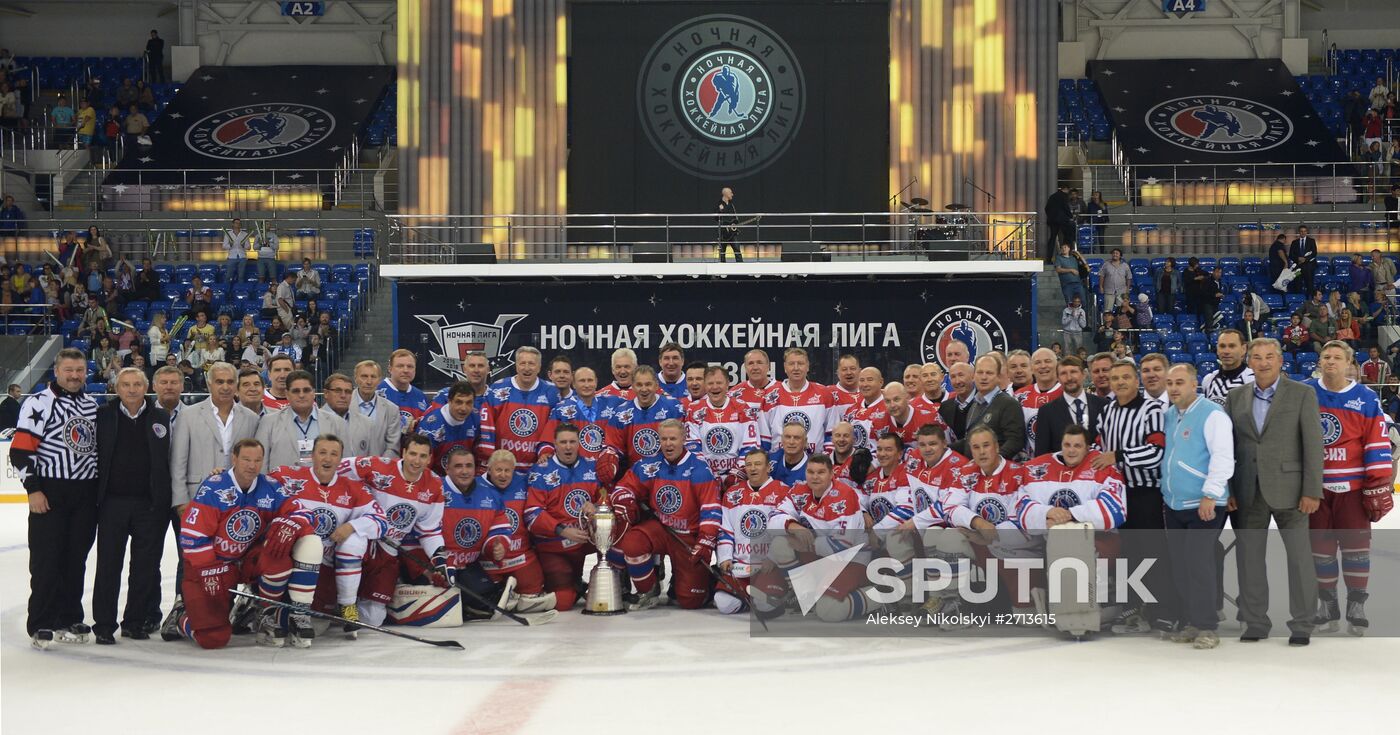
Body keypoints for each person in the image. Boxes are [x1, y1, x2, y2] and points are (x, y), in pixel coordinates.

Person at [1224, 338, 1323, 645]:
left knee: (1299, 559)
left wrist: (1312, 490)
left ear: (1281, 361)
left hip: (1292, 492)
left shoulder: (1303, 394)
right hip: (1248, 490)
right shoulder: (1235, 396)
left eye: (1269, 357)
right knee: (1249, 558)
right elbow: (1228, 447)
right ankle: (1255, 621)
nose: (1263, 362)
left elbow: (1313, 445)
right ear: (1248, 361)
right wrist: (1228, 488)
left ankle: (1303, 623)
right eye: (1257, 357)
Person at [12, 349, 100, 648]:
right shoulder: (39, 403)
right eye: (69, 370)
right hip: (50, 493)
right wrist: (33, 489)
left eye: (79, 370)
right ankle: (41, 622)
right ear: (57, 371)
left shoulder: (91, 405)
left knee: (75, 560)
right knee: (47, 560)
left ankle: (68, 615)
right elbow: (21, 450)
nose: (75, 375)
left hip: (85, 495)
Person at [1305, 341, 1393, 636]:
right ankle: (1327, 605)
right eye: (1325, 356)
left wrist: (1376, 484)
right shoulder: (1305, 392)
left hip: (1353, 489)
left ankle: (1357, 605)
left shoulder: (1366, 398)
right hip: (1315, 488)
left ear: (1349, 364)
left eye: (1337, 357)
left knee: (1356, 550)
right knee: (1321, 550)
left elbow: (1376, 442)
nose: (1330, 361)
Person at [91, 368, 171, 645]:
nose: (132, 389)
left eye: (137, 384)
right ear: (116, 388)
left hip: (149, 506)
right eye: (126, 384)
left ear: (146, 387)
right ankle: (103, 624)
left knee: (145, 567)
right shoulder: (103, 415)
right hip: (112, 503)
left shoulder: (161, 417)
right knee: (108, 566)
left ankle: (134, 622)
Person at [1095, 359, 1175, 633]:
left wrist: (1117, 456)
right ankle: (1131, 607)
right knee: (1126, 553)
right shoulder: (1107, 411)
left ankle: (1163, 610)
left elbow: (1157, 453)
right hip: (1118, 494)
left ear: (1135, 380)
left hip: (1146, 494)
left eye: (1125, 377)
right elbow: (1099, 449)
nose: (1119, 383)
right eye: (1115, 378)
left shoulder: (1151, 410)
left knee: (1153, 552)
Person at [338, 434, 448, 628]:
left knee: (373, 619)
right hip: (364, 535)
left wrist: (440, 560)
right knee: (353, 545)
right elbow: (334, 470)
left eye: (423, 456)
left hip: (389, 549)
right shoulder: (377, 466)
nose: (416, 460)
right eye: (412, 454)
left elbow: (430, 531)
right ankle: (347, 607)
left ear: (430, 458)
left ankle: (355, 612)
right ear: (403, 453)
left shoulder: (435, 484)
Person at [1161, 363, 1234, 649]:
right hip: (1175, 503)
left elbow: (1223, 457)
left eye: (1180, 382)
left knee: (1198, 564)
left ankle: (1207, 626)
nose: (1174, 388)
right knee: (1180, 565)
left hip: (1204, 503)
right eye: (1170, 383)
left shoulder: (1213, 414)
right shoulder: (1170, 415)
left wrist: (1211, 494)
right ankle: (1191, 621)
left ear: (1195, 385)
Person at [609, 419, 719, 609]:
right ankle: (648, 590)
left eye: (673, 439)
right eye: (664, 439)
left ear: (684, 439)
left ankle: (707, 580)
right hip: (661, 528)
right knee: (634, 543)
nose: (668, 444)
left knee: (690, 601)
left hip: (688, 536)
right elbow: (623, 487)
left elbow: (712, 509)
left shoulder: (699, 469)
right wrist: (624, 499)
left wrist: (705, 540)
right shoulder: (649, 465)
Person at [525, 422, 606, 612]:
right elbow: (532, 514)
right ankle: (573, 585)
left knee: (619, 537)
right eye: (563, 442)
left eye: (572, 441)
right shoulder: (540, 471)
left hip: (583, 540)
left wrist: (595, 506)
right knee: (563, 602)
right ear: (554, 444)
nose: (568, 446)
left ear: (579, 443)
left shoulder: (591, 467)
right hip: (553, 545)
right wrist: (562, 530)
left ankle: (614, 583)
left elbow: (605, 497)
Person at [478, 346, 559, 473]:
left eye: (531, 363)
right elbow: (486, 428)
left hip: (537, 468)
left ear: (539, 367)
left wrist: (546, 451)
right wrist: (489, 458)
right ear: (516, 366)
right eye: (522, 363)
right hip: (503, 469)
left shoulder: (552, 392)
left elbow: (554, 428)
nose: (527, 368)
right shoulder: (498, 389)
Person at [255, 370, 347, 470]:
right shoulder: (269, 422)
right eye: (296, 391)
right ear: (287, 394)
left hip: (323, 484)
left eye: (306, 390)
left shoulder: (337, 423)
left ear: (314, 392)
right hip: (281, 484)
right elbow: (260, 462)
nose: (301, 395)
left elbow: (346, 463)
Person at [685, 365, 759, 487]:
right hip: (706, 475)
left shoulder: (743, 409)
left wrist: (736, 473)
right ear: (705, 385)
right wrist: (709, 473)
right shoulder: (694, 409)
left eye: (719, 382)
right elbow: (692, 446)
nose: (714, 387)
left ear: (727, 384)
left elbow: (750, 445)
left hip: (738, 475)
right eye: (710, 383)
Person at [760, 347, 836, 454]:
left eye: (800, 363)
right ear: (785, 367)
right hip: (779, 463)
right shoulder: (770, 396)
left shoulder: (823, 393)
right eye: (791, 364)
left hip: (815, 463)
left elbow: (832, 432)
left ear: (808, 366)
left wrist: (826, 458)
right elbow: (764, 438)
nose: (796, 368)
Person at [951, 355, 1023, 459]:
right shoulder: (975, 404)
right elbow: (968, 441)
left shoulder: (1009, 404)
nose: (984, 377)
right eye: (980, 372)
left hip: (997, 471)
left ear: (998, 377)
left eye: (989, 373)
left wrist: (992, 463)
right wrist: (943, 449)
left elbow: (1015, 441)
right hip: (976, 471)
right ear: (973, 376)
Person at [416, 381, 480, 474]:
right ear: (449, 401)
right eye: (459, 402)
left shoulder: (475, 419)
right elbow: (421, 468)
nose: (463, 408)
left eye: (469, 403)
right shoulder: (429, 427)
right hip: (436, 480)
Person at [354, 360, 402, 458]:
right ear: (355, 379)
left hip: (379, 469)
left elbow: (392, 447)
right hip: (349, 469)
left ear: (379, 380)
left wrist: (379, 468)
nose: (369, 381)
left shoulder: (392, 410)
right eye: (364, 376)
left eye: (373, 377)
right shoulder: (343, 406)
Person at [378, 348, 430, 433]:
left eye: (410, 366)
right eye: (400, 366)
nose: (405, 370)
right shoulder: (376, 392)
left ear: (415, 370)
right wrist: (404, 428)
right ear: (390, 369)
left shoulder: (421, 396)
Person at [1201, 329, 1253, 405]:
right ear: (1217, 349)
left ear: (1243, 349)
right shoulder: (1208, 380)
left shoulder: (1253, 380)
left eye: (1232, 346)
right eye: (1222, 346)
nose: (1226, 351)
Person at [1042, 183, 1073, 262]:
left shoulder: (1052, 196)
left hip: (1052, 221)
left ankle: (1049, 258)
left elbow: (1046, 208)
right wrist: (1071, 215)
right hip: (1063, 221)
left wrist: (1051, 216)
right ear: (1066, 189)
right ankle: (1066, 255)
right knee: (1066, 237)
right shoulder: (1064, 196)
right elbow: (1065, 207)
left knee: (1052, 238)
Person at [1288, 225, 1318, 295]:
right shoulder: (1294, 242)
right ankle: (1298, 299)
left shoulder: (1311, 241)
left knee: (1309, 284)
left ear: (1307, 232)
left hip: (1308, 267)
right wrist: (1298, 258)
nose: (1303, 233)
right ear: (1299, 232)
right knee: (1297, 284)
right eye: (1301, 231)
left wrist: (1305, 259)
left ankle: (1309, 301)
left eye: (1304, 231)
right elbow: (1291, 255)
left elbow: (1314, 253)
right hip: (1298, 268)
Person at [1099, 249, 1129, 313]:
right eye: (1113, 253)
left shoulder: (1125, 266)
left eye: (1117, 253)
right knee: (1107, 311)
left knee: (1121, 311)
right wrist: (1101, 287)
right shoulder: (1106, 264)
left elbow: (1129, 277)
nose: (1115, 254)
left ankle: (1119, 323)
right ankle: (1107, 323)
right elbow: (1101, 276)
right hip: (1109, 291)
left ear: (1120, 256)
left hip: (1121, 291)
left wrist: (1127, 288)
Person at [717, 186, 742, 262]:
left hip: (732, 232)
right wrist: (720, 211)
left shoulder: (731, 205)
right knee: (722, 251)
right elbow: (716, 218)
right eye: (731, 193)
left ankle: (741, 265)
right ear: (726, 194)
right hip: (723, 232)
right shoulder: (719, 204)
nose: (732, 194)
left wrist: (735, 223)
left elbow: (735, 217)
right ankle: (722, 267)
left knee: (737, 249)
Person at [222, 218, 250, 286]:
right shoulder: (228, 234)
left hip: (242, 257)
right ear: (233, 224)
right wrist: (230, 245)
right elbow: (224, 246)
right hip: (231, 257)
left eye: (239, 223)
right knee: (228, 276)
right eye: (236, 223)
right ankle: (226, 290)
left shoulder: (245, 234)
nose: (238, 224)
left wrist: (244, 246)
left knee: (241, 276)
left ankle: (240, 290)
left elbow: (248, 247)